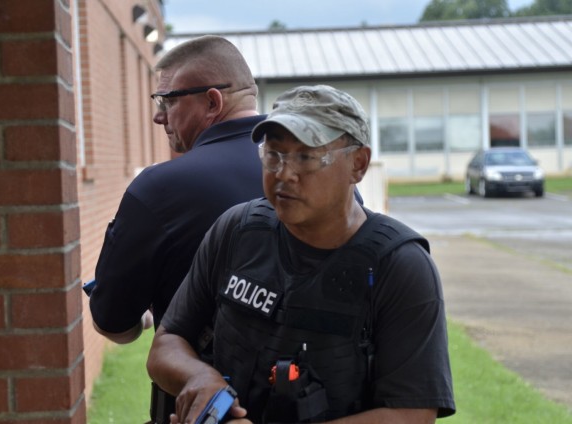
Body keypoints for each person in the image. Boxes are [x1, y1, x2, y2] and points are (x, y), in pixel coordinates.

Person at [146, 85, 456, 423]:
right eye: (274, 155)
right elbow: (167, 343)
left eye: (306, 157)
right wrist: (201, 379)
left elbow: (413, 414)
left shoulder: (399, 266)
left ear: (359, 164)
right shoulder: (237, 230)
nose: (285, 173)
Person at [88, 35, 266, 422]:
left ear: (212, 102)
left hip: (208, 409)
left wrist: (148, 316)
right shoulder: (322, 177)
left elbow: (115, 324)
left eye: (167, 100)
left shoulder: (159, 188)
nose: (158, 116)